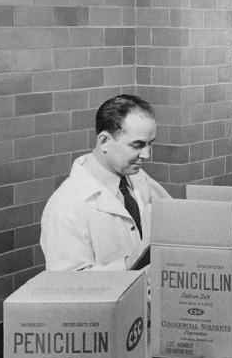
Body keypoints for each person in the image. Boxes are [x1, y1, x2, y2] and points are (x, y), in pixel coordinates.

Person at [41, 94, 171, 271]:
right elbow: (67, 287)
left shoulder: (138, 178)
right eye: (137, 145)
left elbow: (174, 219)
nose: (146, 155)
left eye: (150, 144)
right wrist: (127, 264)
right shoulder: (65, 207)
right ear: (104, 141)